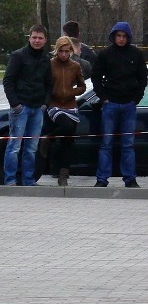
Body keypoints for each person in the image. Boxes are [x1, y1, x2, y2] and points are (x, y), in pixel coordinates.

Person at [91, 21, 147, 188]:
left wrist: (135, 99)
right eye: (118, 36)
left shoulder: (136, 54)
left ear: (128, 37)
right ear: (113, 36)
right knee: (106, 144)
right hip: (110, 104)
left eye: (124, 36)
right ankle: (102, 179)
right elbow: (95, 77)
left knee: (128, 144)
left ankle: (130, 179)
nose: (121, 39)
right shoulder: (105, 54)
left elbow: (143, 79)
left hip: (129, 105)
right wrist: (103, 98)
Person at [2, 24, 52, 186]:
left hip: (38, 109)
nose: (37, 40)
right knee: (14, 146)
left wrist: (45, 104)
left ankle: (28, 180)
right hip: (20, 108)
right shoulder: (18, 56)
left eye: (40, 38)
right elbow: (8, 80)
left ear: (45, 40)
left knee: (31, 148)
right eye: (34, 37)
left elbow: (49, 84)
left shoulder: (45, 59)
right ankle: (10, 180)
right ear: (29, 38)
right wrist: (15, 104)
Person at [46, 36, 86, 186]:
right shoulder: (50, 64)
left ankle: (63, 175)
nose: (64, 54)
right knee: (66, 125)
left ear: (71, 51)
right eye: (61, 51)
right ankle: (48, 139)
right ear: (57, 51)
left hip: (70, 104)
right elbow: (46, 84)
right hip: (55, 104)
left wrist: (72, 92)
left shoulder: (75, 66)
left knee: (68, 140)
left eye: (67, 51)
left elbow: (83, 86)